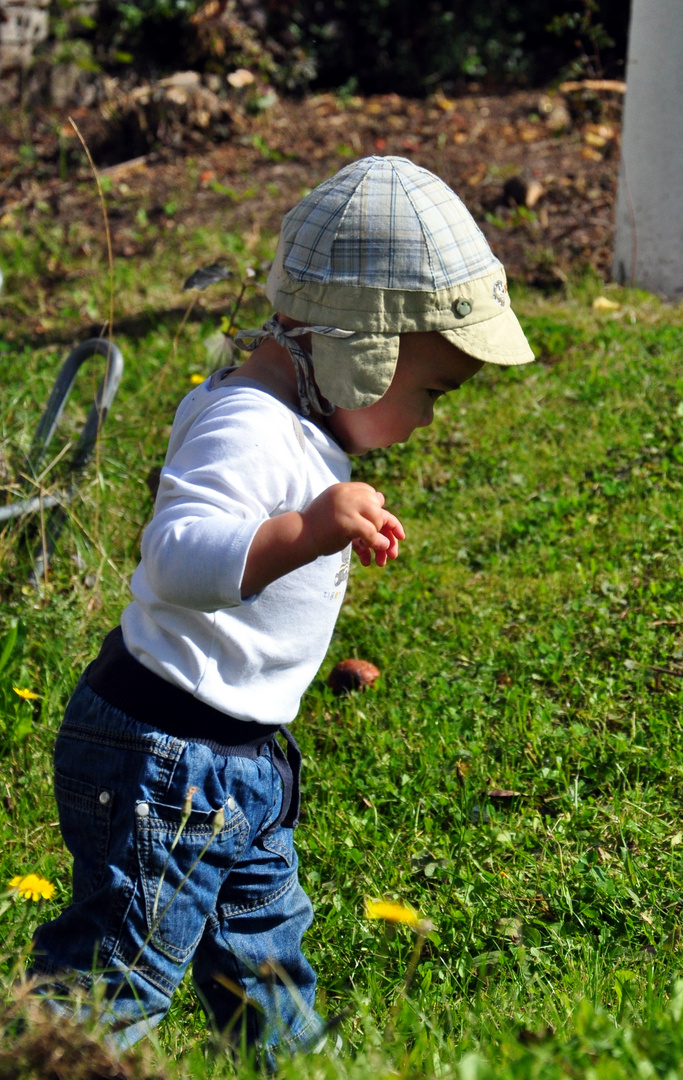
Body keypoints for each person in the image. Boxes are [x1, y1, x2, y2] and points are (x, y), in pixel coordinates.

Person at [30, 155, 534, 1062]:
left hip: (235, 765)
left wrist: (325, 523)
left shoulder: (298, 426)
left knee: (263, 958)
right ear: (359, 348)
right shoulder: (246, 426)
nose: (430, 418)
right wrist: (305, 532)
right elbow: (176, 559)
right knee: (120, 972)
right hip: (165, 763)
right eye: (429, 390)